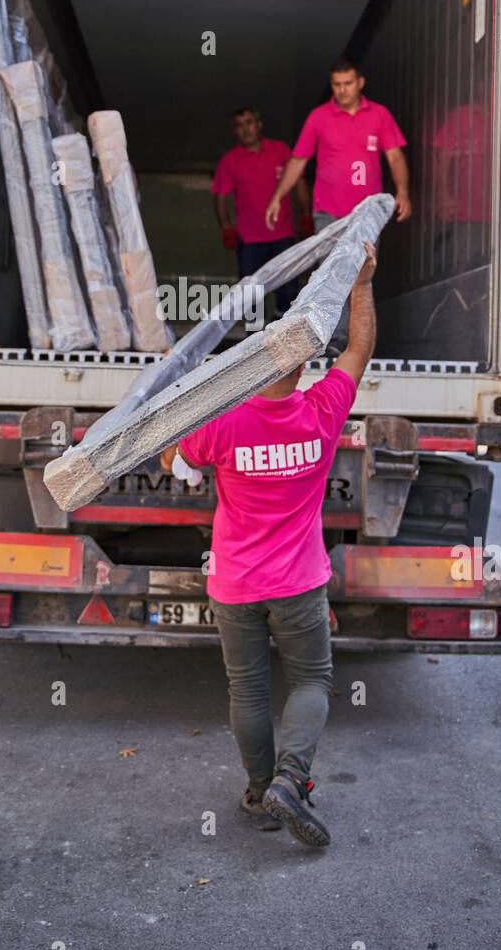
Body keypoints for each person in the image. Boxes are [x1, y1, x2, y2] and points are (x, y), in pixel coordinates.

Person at [160, 240, 378, 849]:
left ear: (254, 364)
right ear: (305, 366)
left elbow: (176, 460)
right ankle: (292, 778)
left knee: (247, 688)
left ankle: (260, 792)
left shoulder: (223, 423)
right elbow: (359, 350)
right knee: (311, 680)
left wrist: (178, 430)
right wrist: (362, 282)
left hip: (234, 583)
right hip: (300, 582)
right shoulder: (322, 411)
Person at [264, 59, 410, 352]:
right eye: (336, 85)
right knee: (329, 276)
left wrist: (403, 192)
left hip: (367, 215)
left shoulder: (379, 115)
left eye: (347, 84)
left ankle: (357, 345)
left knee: (360, 275)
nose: (341, 91)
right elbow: (298, 160)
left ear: (360, 83)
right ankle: (333, 340)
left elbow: (395, 157)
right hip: (327, 212)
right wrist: (278, 196)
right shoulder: (319, 118)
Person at [212, 106, 312, 317]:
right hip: (249, 241)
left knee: (288, 293)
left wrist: (306, 215)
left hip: (282, 236)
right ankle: (253, 345)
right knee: (250, 300)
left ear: (259, 125)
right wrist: (226, 228)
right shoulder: (230, 161)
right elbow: (220, 197)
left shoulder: (281, 151)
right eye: (239, 125)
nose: (245, 129)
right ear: (235, 131)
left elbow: (299, 182)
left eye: (249, 122)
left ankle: (284, 341)